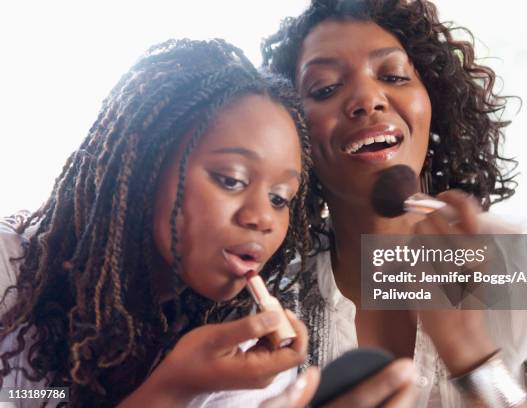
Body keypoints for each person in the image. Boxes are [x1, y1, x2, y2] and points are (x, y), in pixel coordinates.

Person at [262, 0, 527, 406]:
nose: (367, 98)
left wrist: (469, 351)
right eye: (325, 88)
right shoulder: (270, 304)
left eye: (393, 75)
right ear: (292, 132)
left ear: (434, 104)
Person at [0, 38, 318, 408]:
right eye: (230, 179)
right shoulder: (10, 274)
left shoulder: (251, 361)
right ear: (144, 170)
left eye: (279, 198)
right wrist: (172, 390)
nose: (263, 218)